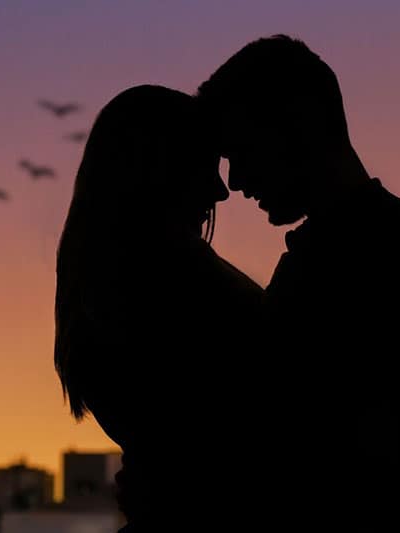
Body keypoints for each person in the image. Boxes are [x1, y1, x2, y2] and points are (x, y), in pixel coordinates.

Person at [197, 34, 400, 529]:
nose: (233, 184)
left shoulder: (343, 269)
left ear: (299, 124)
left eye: (241, 151)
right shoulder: (376, 249)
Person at [54, 85, 264, 531]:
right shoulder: (178, 281)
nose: (221, 191)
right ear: (157, 169)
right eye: (204, 167)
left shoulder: (99, 287)